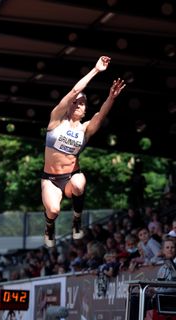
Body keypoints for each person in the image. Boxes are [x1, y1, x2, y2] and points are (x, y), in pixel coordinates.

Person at [42, 56, 126, 246]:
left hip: (72, 175)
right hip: (50, 178)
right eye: (76, 102)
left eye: (82, 103)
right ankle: (49, 225)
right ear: (69, 105)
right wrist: (96, 70)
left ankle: (77, 218)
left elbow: (101, 114)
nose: (78, 104)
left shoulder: (85, 129)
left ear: (85, 110)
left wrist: (111, 97)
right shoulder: (55, 120)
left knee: (79, 184)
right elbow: (75, 91)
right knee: (53, 210)